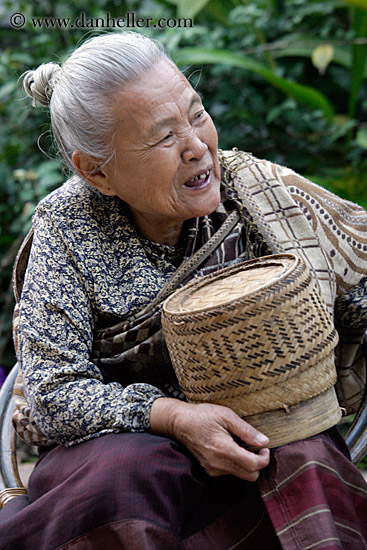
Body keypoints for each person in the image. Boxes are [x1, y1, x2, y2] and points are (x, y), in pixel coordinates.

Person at [0, 31, 366, 549]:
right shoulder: (67, 225)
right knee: (130, 473)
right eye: (162, 136)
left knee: (300, 451)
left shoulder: (255, 197)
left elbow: (354, 298)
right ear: (96, 171)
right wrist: (174, 417)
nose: (197, 147)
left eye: (196, 115)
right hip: (124, 453)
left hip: (251, 439)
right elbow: (52, 396)